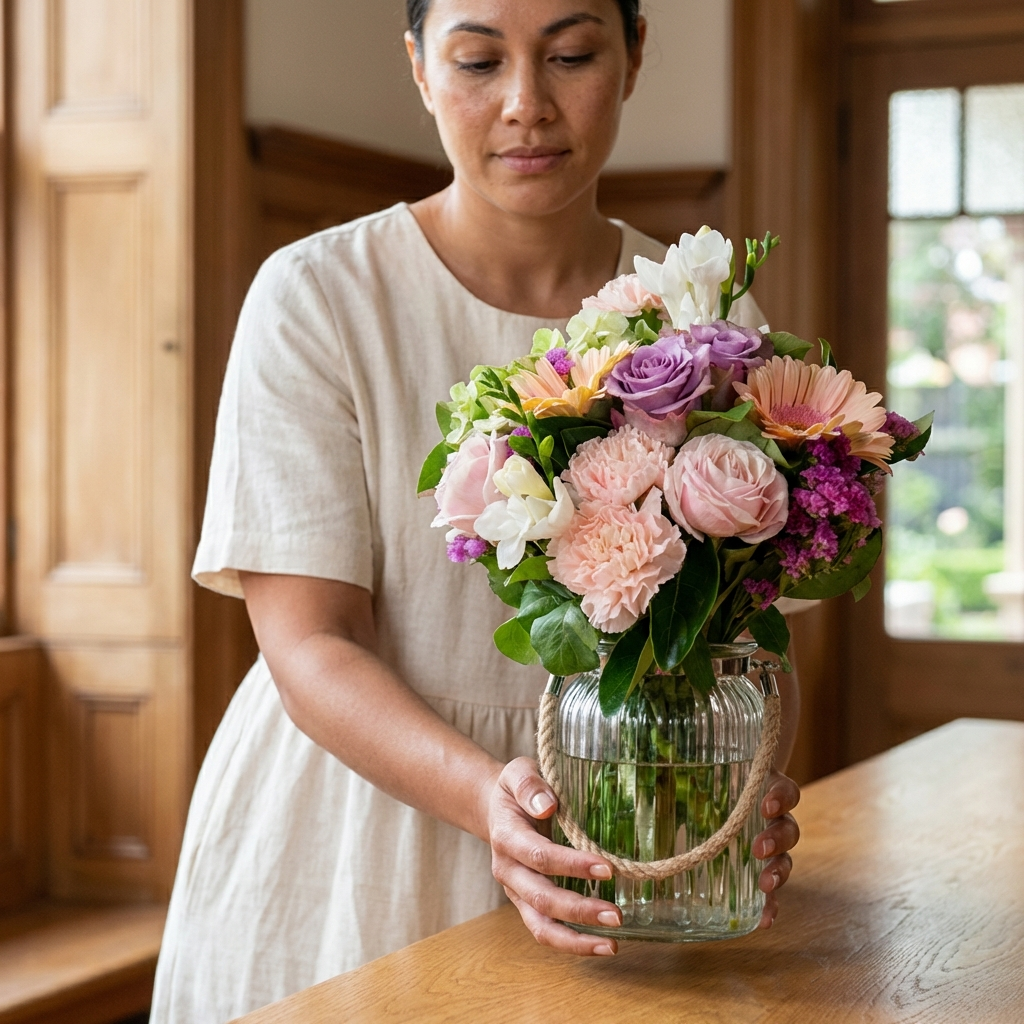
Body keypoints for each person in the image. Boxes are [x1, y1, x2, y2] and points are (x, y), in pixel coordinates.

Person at [151, 1, 801, 1020]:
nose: (525, 106)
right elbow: (311, 643)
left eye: (573, 54)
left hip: (617, 833)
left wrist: (740, 789)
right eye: (476, 60)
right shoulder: (318, 295)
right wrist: (500, 806)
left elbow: (750, 640)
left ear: (634, 57)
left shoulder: (704, 322)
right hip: (356, 828)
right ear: (417, 67)